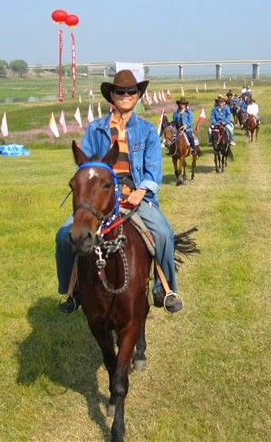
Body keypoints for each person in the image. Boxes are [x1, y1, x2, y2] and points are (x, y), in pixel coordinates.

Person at [55, 70, 183, 313]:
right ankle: (71, 292)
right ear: (112, 95)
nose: (126, 95)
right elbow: (85, 167)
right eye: (121, 91)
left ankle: (164, 289)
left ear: (138, 95)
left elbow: (153, 171)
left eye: (131, 91)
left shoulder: (146, 130)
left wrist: (141, 191)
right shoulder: (95, 128)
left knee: (164, 233)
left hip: (136, 195)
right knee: (64, 236)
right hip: (100, 198)